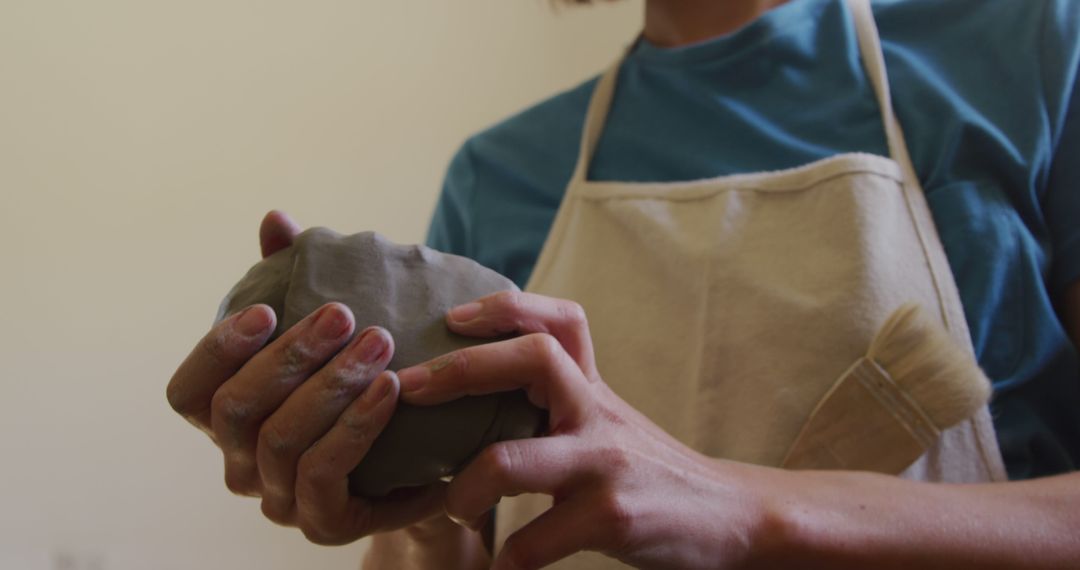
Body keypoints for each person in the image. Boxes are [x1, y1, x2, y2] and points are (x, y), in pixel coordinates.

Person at [167, 0, 1080, 567]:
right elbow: (443, 551)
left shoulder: (1032, 52)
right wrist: (411, 517)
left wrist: (744, 511)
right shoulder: (501, 172)